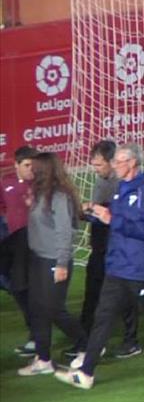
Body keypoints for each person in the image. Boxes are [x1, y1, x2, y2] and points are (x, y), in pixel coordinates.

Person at [55, 143, 144, 389]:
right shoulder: (121, 189)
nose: (114, 165)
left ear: (132, 163)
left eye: (119, 161)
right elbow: (115, 220)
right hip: (118, 266)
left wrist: (112, 218)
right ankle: (86, 372)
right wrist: (92, 212)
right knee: (102, 318)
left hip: (139, 267)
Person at [17, 152, 87, 377]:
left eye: (34, 168)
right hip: (38, 258)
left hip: (54, 260)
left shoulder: (59, 196)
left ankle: (87, 346)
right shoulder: (40, 193)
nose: (30, 171)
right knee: (37, 309)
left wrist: (62, 263)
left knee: (54, 309)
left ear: (44, 171)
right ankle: (43, 358)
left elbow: (64, 232)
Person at [76, 140, 141, 360]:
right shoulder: (100, 182)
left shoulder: (123, 183)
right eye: (93, 165)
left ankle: (131, 341)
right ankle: (85, 340)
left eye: (99, 165)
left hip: (119, 247)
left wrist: (94, 209)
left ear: (113, 162)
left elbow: (120, 215)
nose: (96, 169)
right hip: (101, 246)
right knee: (94, 292)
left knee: (124, 294)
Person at [1, 146, 37, 357]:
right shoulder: (6, 185)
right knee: (20, 291)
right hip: (15, 250)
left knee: (33, 294)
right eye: (26, 165)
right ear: (16, 165)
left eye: (33, 165)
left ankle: (37, 338)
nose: (31, 169)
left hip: (35, 248)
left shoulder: (40, 186)